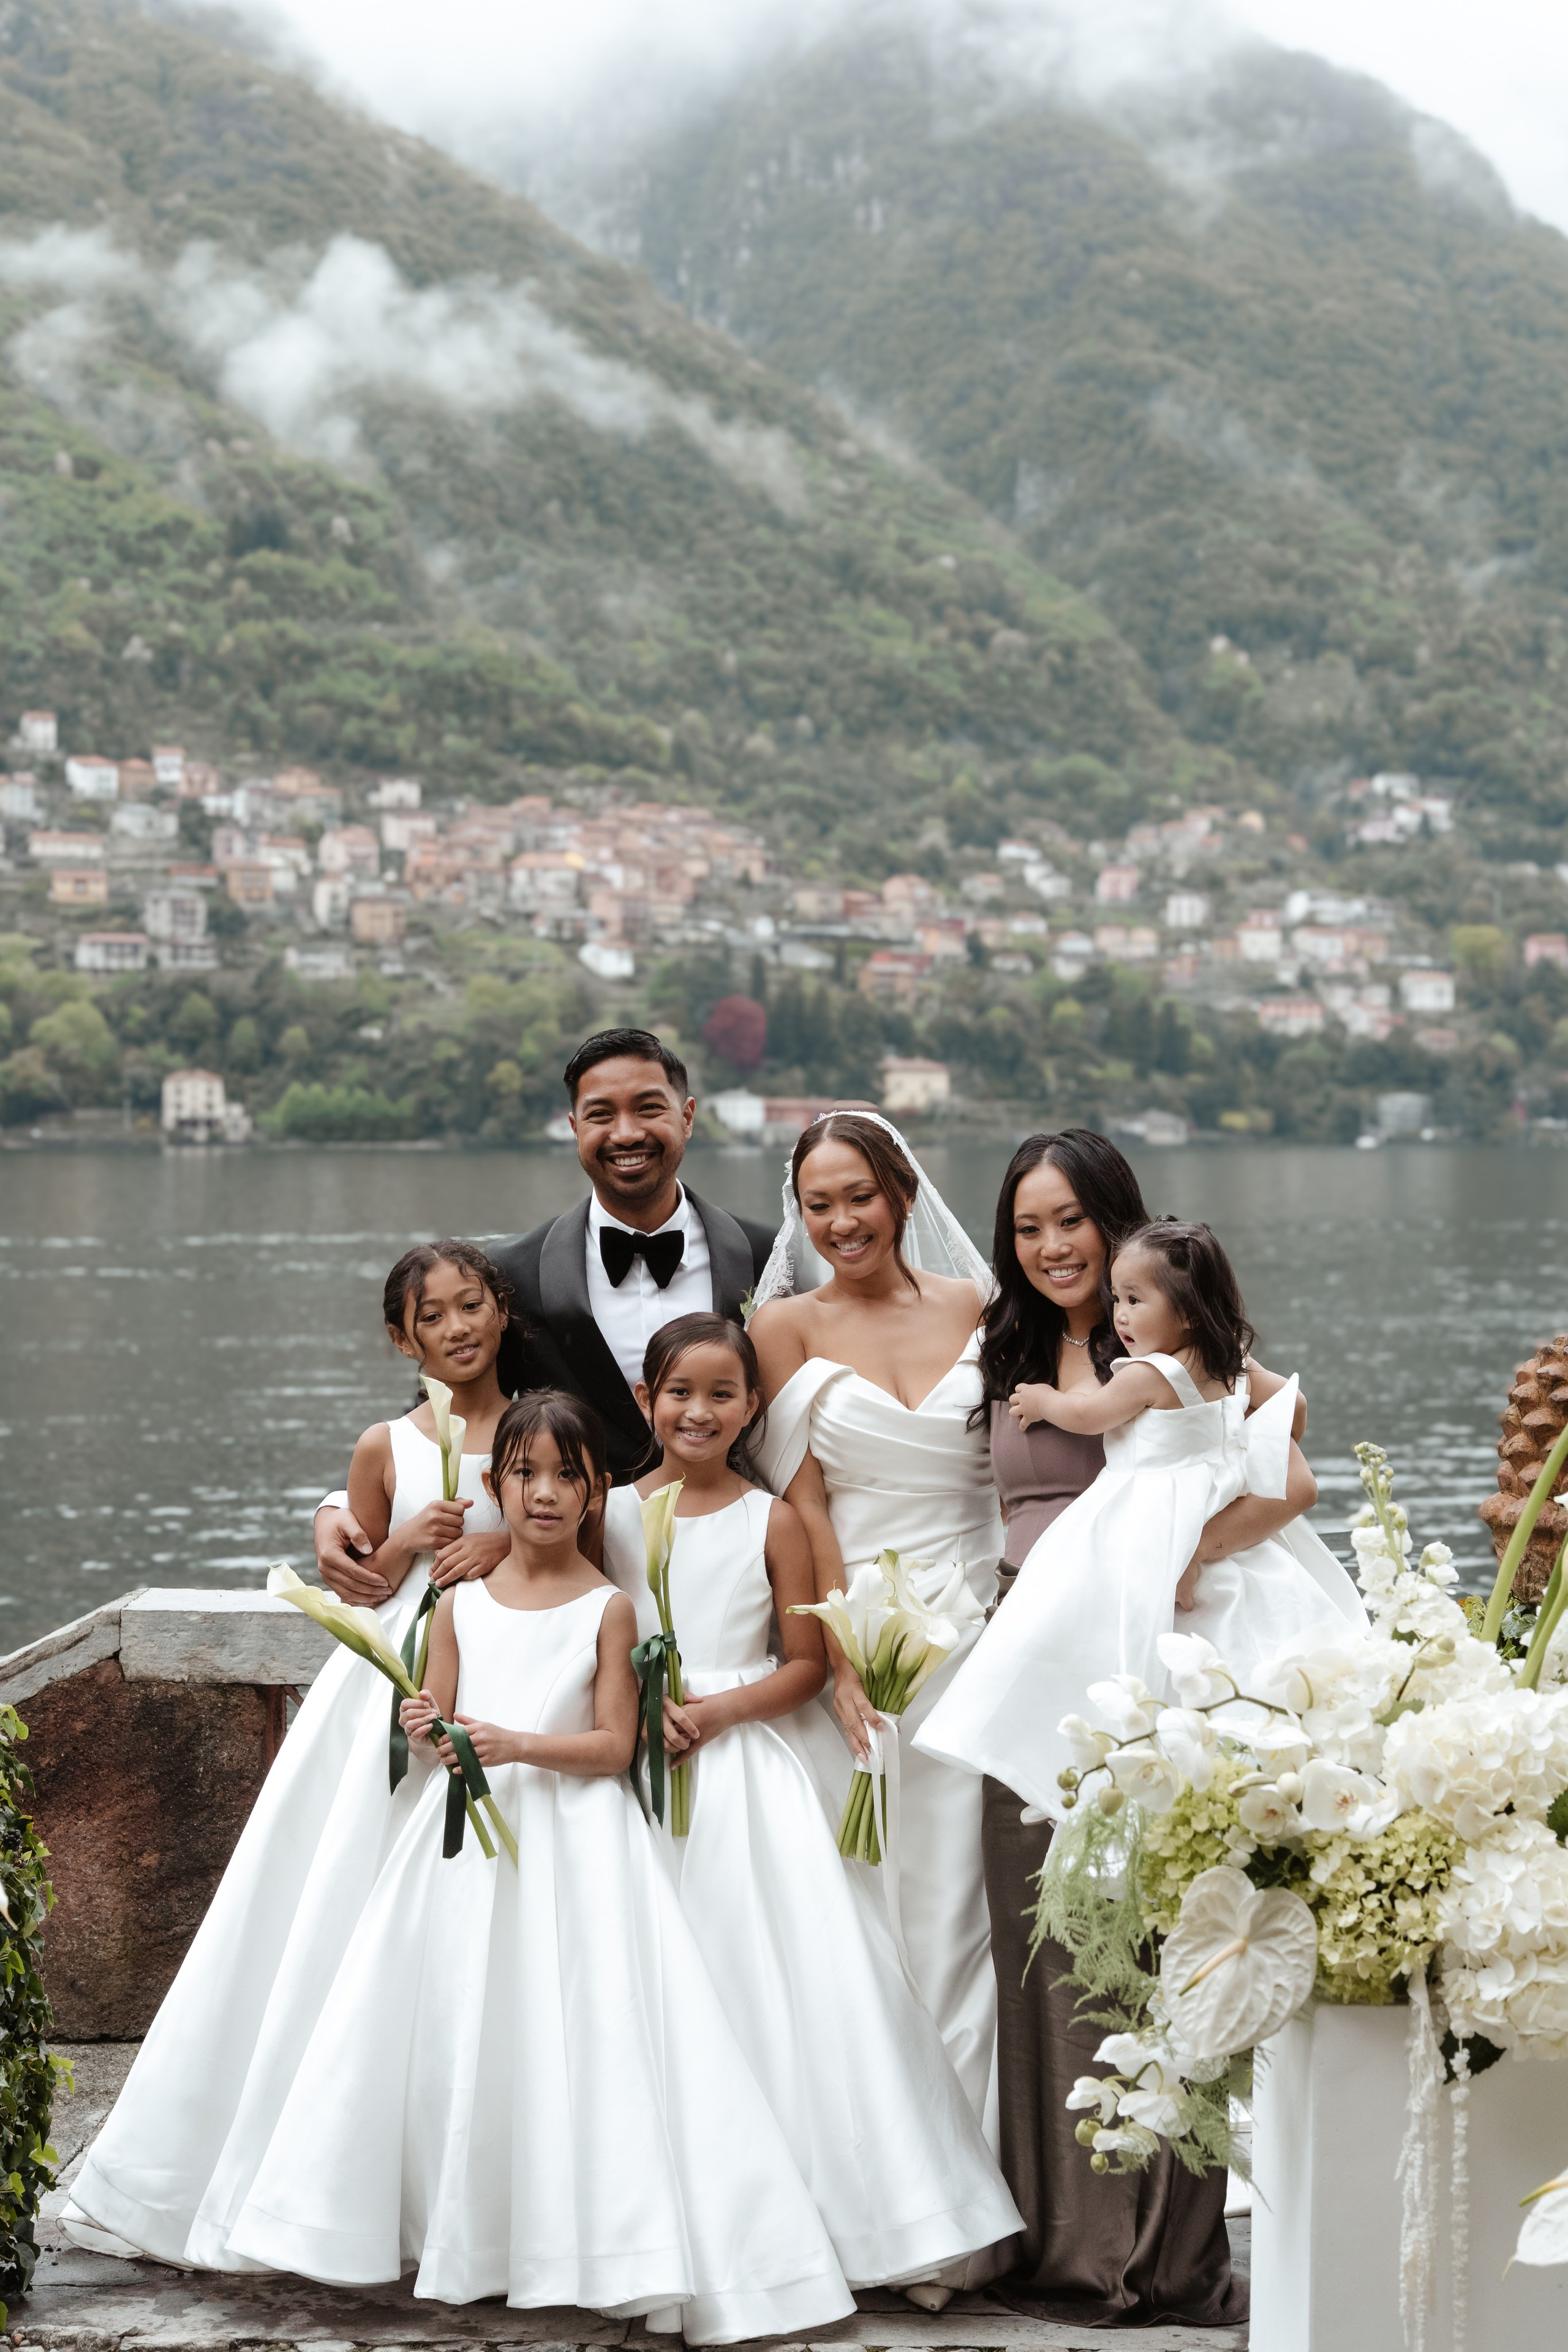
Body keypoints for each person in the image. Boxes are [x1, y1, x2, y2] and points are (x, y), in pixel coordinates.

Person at [94, 1392, 858, 2345]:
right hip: (459, 1847)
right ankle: (447, 2227)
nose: (544, 1494)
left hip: (578, 1848)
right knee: (454, 2022)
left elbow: (616, 1747)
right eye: (526, 1476)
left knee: (574, 2029)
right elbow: (434, 1732)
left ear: (596, 1495)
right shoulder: (456, 1606)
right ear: (496, 1487)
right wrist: (430, 1732)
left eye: (566, 1478)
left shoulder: (610, 1608)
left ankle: (582, 2237)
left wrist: (518, 1746)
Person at [914, 1130, 1317, 2325]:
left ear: (1115, 1223)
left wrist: (1187, 1558)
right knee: (1044, 1953)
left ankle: (1169, 2259)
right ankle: (1066, 2245)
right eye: (1026, 1227)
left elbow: (1284, 1477)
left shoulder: (1170, 1338)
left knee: (1160, 1947)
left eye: (1068, 1223)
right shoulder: (1004, 1344)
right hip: (1028, 1666)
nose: (1047, 1248)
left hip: (1147, 1681)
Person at [65, 1242, 514, 2266]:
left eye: (471, 1305)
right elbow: (360, 1571)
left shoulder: (537, 1427)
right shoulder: (383, 1446)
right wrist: (406, 1545)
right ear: (402, 1338)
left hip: (505, 1674)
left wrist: (499, 1546)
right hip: (390, 1687)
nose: (457, 1327)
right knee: (348, 1904)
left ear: (502, 1308)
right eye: (431, 1316)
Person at [602, 1312, 1023, 2302]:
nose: (698, 1411)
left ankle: (839, 2219)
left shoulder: (772, 1519)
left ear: (755, 1408)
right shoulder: (609, 1513)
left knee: (773, 1980)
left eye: (721, 1395)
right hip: (641, 1773)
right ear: (644, 1401)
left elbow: (801, 1665)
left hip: (744, 1767)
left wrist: (713, 1712)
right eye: (679, 1393)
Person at [747, 1112, 1012, 2299]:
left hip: (984, 1645)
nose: (841, 1223)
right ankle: (877, 2209)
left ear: (902, 1192)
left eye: (859, 1196)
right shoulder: (781, 1327)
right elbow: (798, 1507)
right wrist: (844, 1658)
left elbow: (1019, 1471)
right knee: (863, 1934)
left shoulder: (978, 1308)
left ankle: (972, 2213)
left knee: (960, 1919)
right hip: (857, 1653)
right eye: (818, 1205)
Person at [916, 1213, 1366, 1817]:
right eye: (1117, 1300)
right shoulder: (1227, 1360)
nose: (1121, 1316)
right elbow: (1295, 1407)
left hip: (1145, 1516)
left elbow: (1093, 1415)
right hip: (1206, 1508)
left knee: (1105, 1628)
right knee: (1228, 1638)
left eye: (1134, 1300)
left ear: (1184, 1312)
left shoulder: (1150, 1373)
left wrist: (1043, 1399)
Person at [313, 1028, 777, 1604]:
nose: (626, 1132)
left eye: (648, 1109)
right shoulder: (513, 1272)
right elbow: (442, 1405)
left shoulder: (771, 1257)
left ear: (686, 1117)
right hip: (569, 1584)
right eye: (601, 1114)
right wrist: (339, 1504)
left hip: (738, 1571)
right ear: (574, 1128)